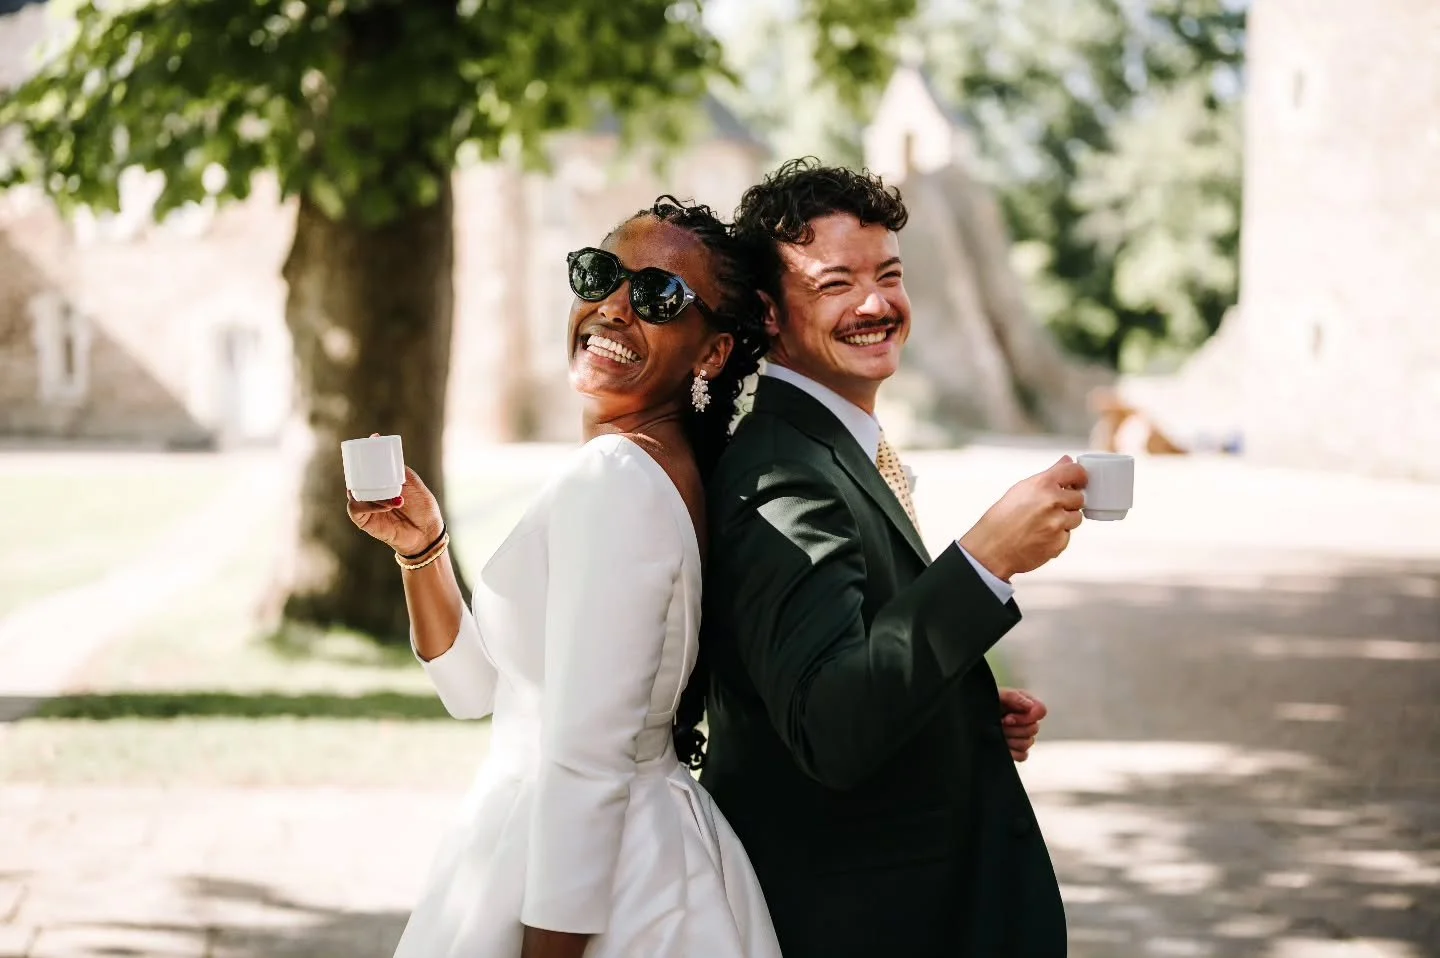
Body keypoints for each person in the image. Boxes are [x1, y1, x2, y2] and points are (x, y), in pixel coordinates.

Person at [348, 197, 782, 958]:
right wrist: (424, 551)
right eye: (601, 274)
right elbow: (480, 693)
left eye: (657, 295)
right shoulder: (646, 470)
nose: (613, 307)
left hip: (609, 885)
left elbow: (588, 761)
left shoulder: (617, 480)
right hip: (552, 837)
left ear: (712, 354)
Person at [699, 158, 1083, 957]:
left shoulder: (837, 447)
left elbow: (845, 660)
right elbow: (831, 724)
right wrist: (984, 560)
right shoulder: (780, 472)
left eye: (889, 275)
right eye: (836, 284)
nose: (876, 304)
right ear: (769, 313)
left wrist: (959, 712)